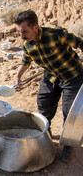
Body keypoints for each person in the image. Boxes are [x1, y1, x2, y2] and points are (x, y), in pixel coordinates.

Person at [14, 10, 83, 163]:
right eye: (19, 32)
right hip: (51, 76)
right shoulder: (27, 44)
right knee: (43, 104)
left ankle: (68, 145)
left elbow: (80, 43)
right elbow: (26, 61)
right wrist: (18, 76)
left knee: (69, 111)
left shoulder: (56, 34)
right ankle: (46, 133)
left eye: (24, 31)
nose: (22, 36)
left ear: (36, 27)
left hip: (72, 75)